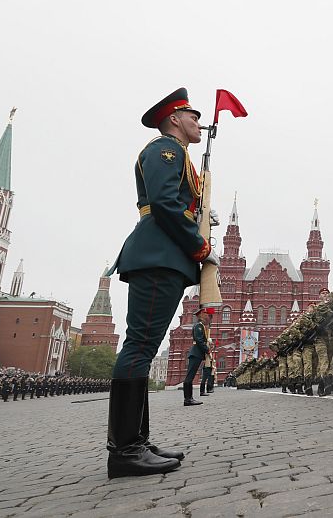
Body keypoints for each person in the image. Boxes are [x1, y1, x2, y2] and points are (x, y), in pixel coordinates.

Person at [106, 88, 217, 478]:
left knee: (143, 344)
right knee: (139, 346)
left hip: (163, 256)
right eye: (193, 116)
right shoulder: (165, 150)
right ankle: (124, 450)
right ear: (175, 118)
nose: (199, 123)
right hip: (158, 255)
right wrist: (198, 245)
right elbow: (166, 204)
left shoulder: (179, 154)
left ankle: (138, 440)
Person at [184, 307, 213, 406]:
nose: (207, 315)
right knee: (190, 377)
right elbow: (199, 340)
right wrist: (207, 349)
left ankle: (189, 398)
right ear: (200, 315)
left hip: (197, 354)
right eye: (205, 314)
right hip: (196, 353)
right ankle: (188, 399)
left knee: (190, 377)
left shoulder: (201, 326)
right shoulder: (199, 326)